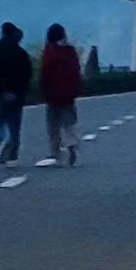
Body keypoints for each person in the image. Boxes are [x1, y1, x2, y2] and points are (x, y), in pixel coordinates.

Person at [0, 22, 35, 167]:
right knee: (15, 124)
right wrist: (18, 92)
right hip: (17, 95)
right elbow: (27, 75)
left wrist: (1, 91)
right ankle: (12, 155)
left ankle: (3, 140)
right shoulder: (21, 52)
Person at [38, 23, 85, 167]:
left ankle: (56, 151)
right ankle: (71, 145)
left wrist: (43, 91)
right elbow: (75, 71)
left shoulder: (49, 52)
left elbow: (45, 73)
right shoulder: (70, 51)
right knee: (69, 123)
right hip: (68, 94)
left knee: (53, 125)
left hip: (52, 94)